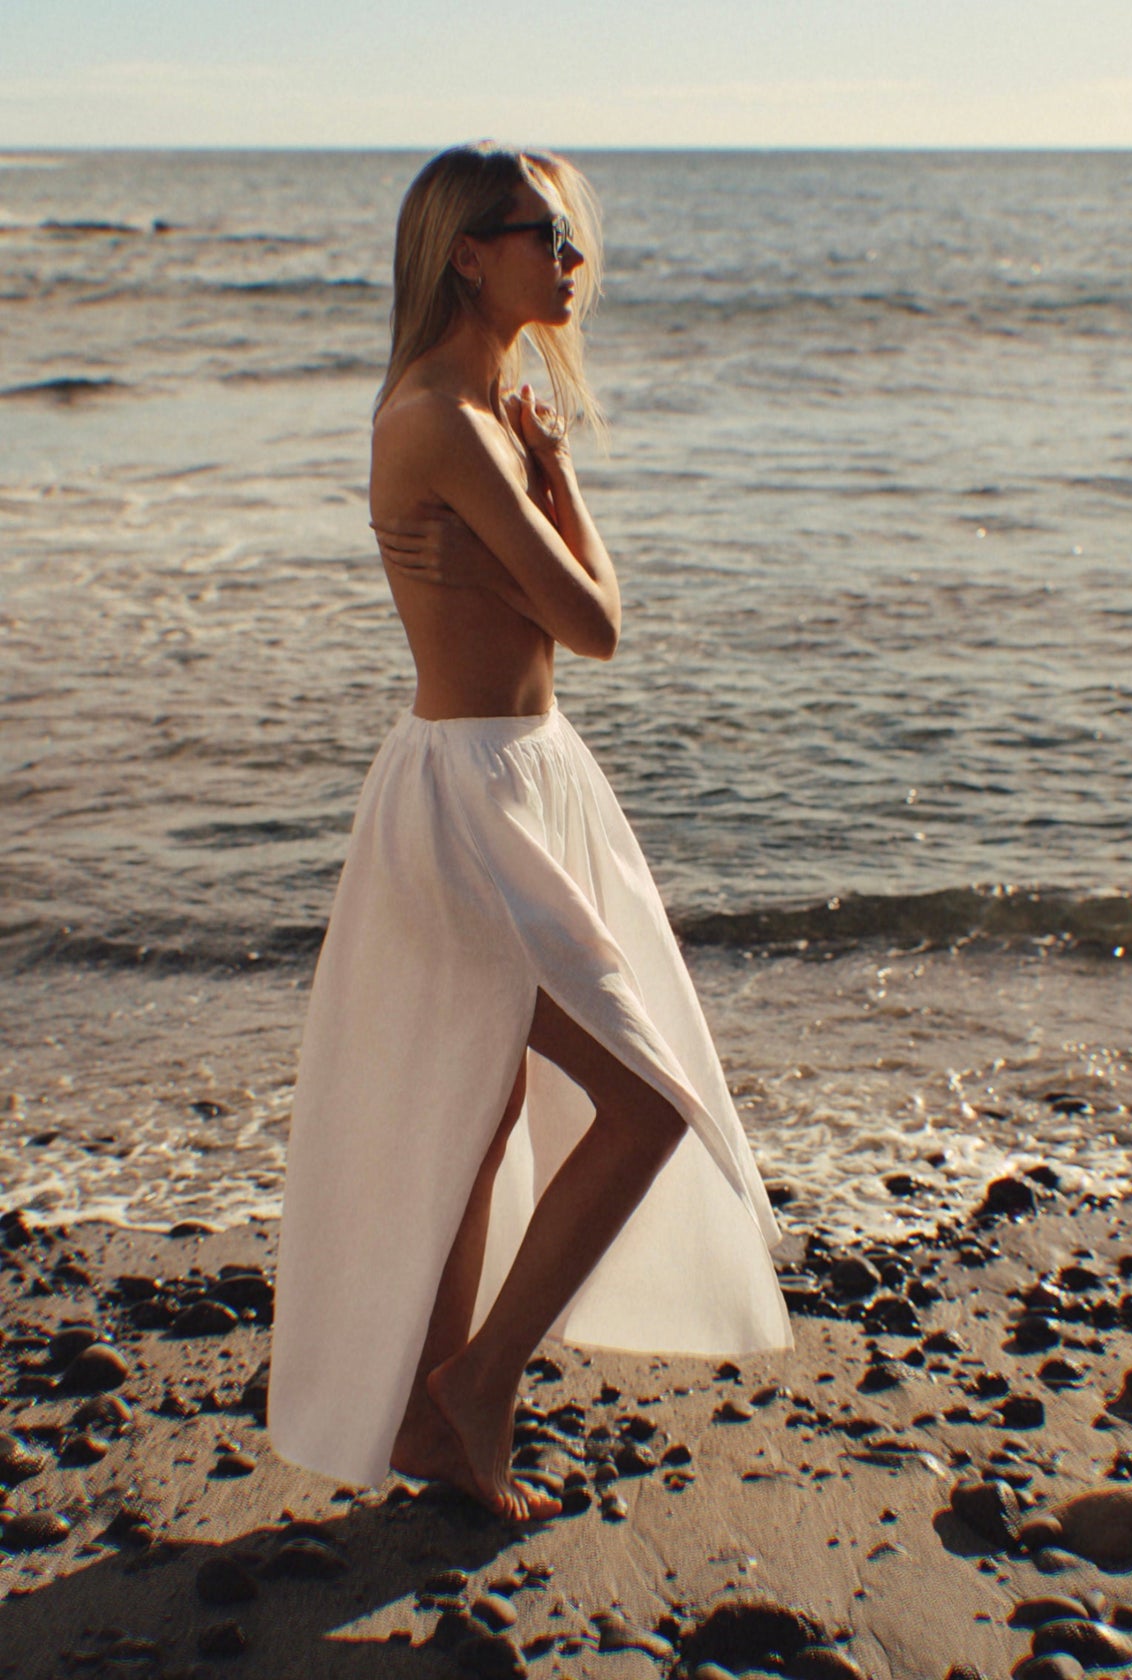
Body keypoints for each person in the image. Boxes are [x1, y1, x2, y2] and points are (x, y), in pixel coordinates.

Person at [267, 142, 793, 1523]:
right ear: (465, 250)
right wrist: (556, 497)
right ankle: (479, 1380)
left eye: (569, 233)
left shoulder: (497, 414)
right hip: (468, 796)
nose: (570, 258)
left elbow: (581, 619)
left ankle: (444, 1418)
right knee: (642, 1102)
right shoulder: (437, 417)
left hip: (536, 773)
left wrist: (555, 476)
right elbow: (598, 623)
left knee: (487, 1112)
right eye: (543, 232)